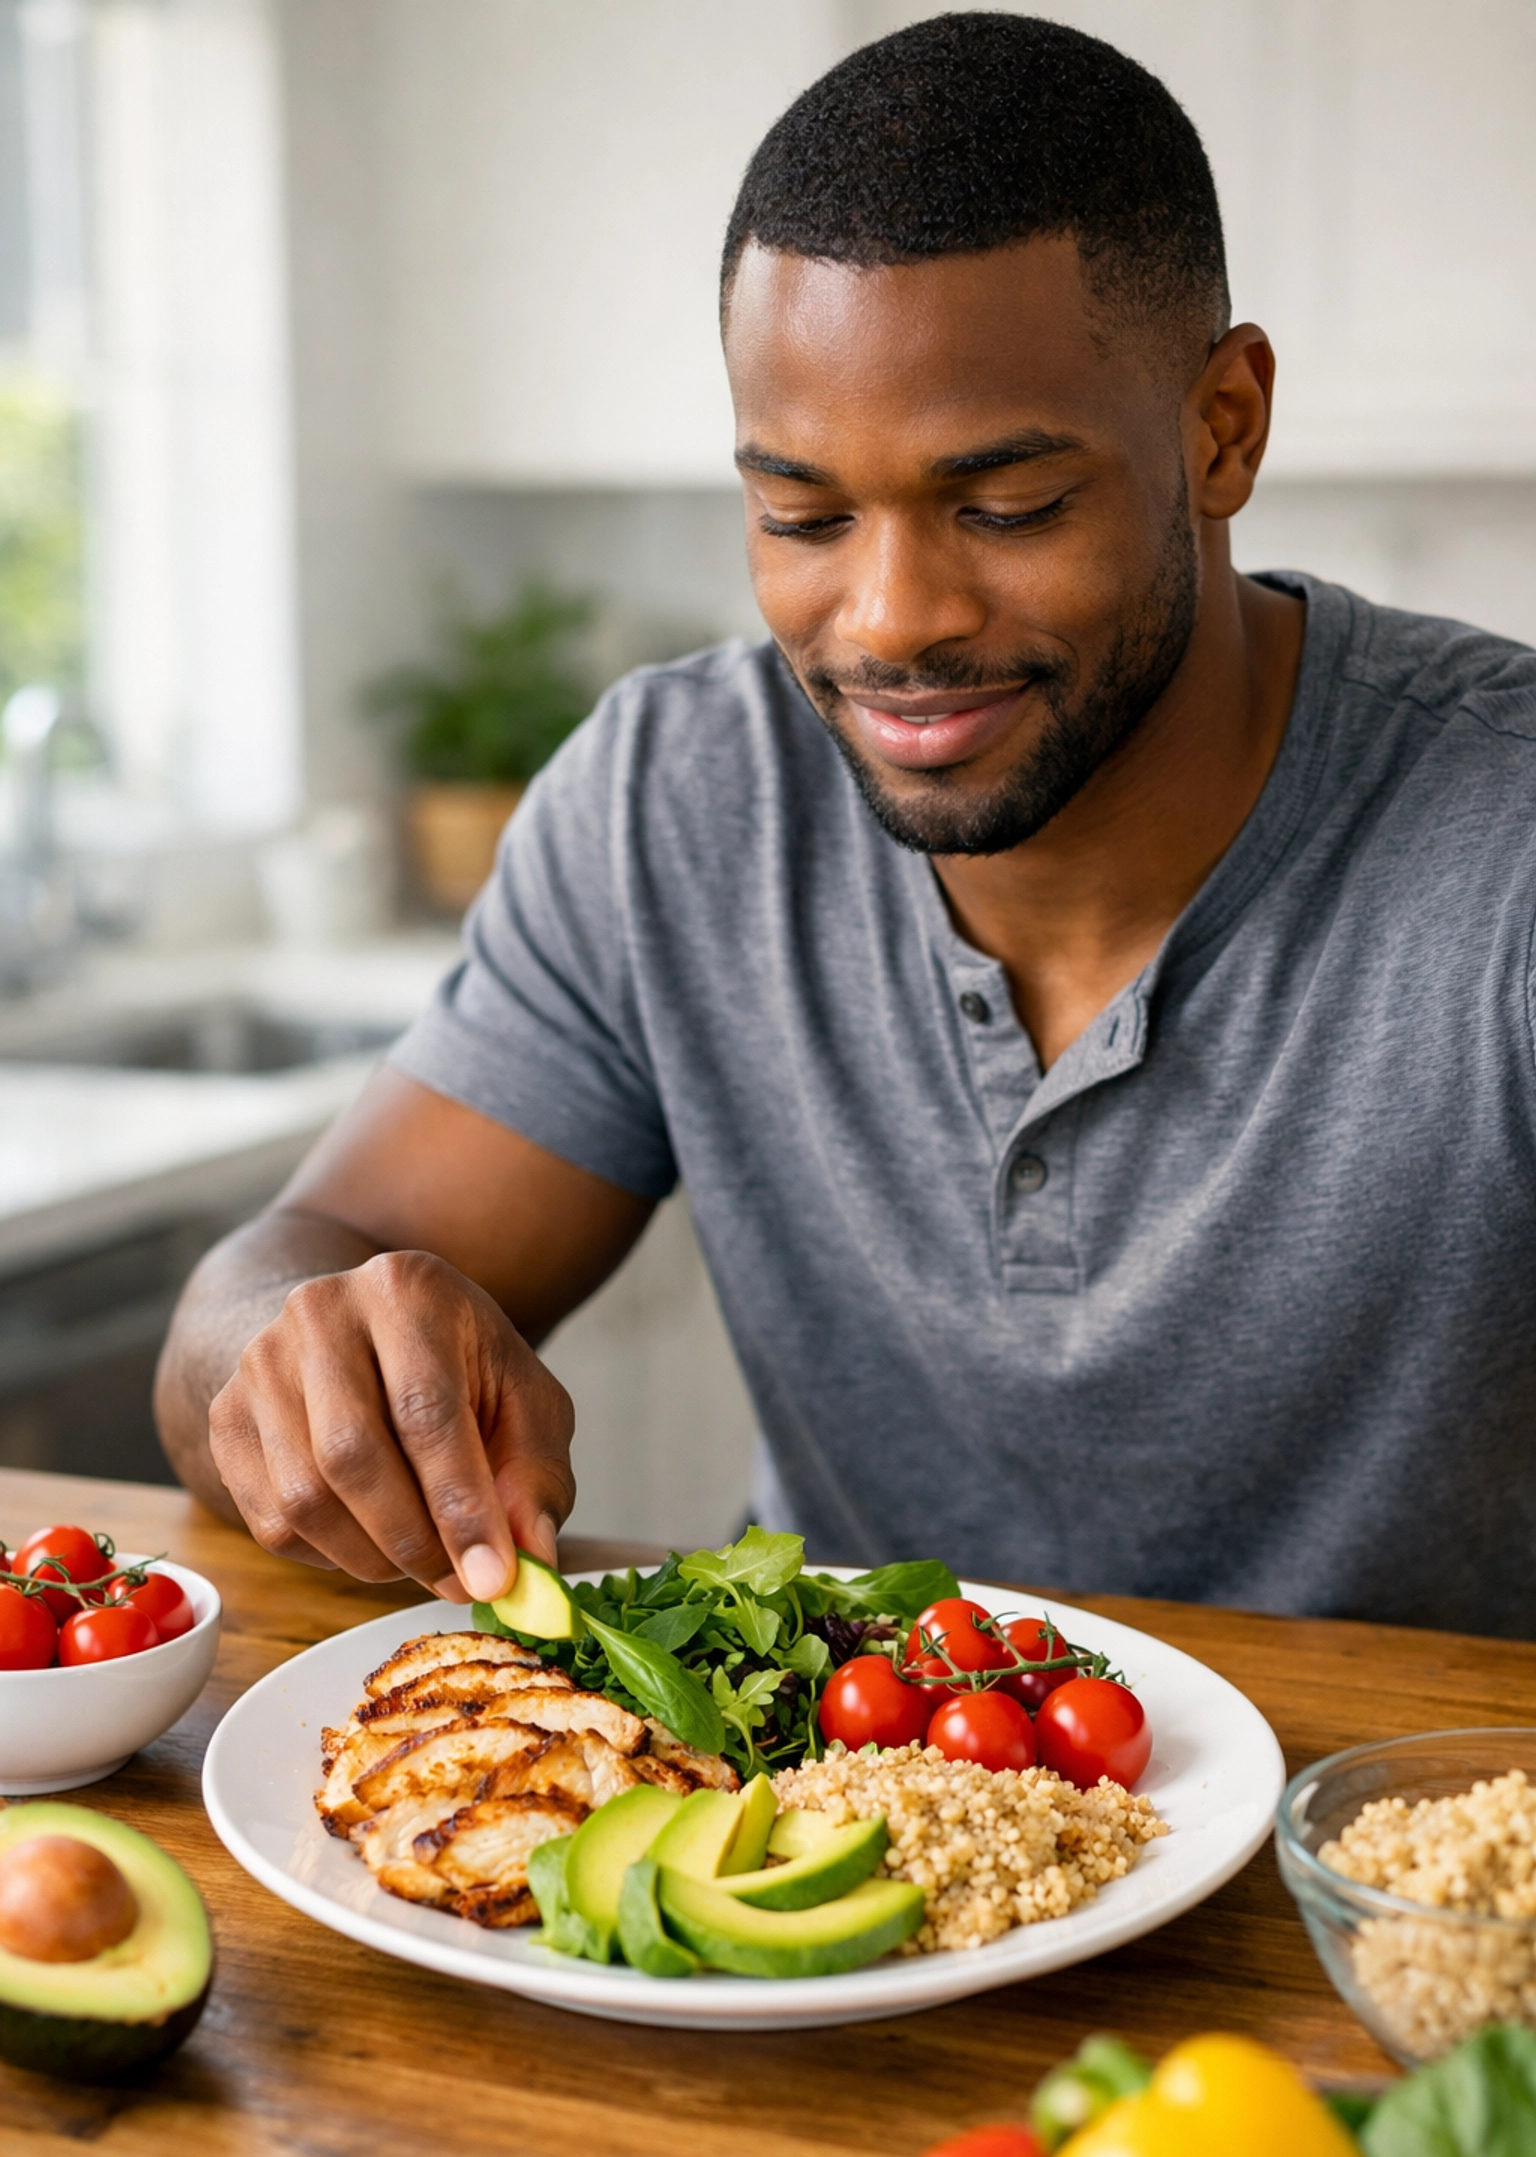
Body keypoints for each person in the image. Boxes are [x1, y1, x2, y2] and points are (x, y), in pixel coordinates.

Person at [157, 13, 1536, 1640]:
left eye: (1005, 508)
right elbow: (266, 1298)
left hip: (1396, 1848)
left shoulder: (1500, 844)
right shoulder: (674, 800)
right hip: (833, 1810)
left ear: (1223, 426)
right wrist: (285, 1350)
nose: (891, 620)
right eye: (800, 514)